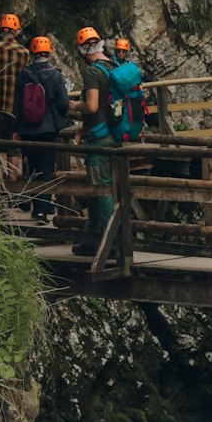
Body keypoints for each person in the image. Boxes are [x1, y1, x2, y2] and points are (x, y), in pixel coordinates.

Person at [68, 26, 117, 258]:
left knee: (101, 190)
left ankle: (109, 243)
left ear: (85, 48)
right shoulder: (113, 64)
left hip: (99, 138)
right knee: (101, 188)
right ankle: (94, 240)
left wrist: (76, 106)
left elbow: (92, 106)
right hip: (114, 134)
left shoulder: (93, 72)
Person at [12, 37, 70, 223]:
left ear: (32, 52)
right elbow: (63, 103)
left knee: (33, 168)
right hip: (48, 129)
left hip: (28, 128)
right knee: (46, 169)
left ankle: (35, 205)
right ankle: (42, 210)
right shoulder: (55, 75)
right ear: (49, 52)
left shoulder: (23, 74)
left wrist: (16, 128)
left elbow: (17, 104)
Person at [0, 13, 29, 146]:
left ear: (1, 29)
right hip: (15, 104)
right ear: (16, 31)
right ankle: (11, 168)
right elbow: (27, 80)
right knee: (12, 147)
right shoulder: (24, 52)